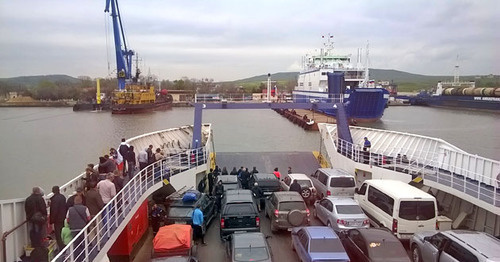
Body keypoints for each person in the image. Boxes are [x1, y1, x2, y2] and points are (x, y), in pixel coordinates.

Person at [49, 186, 67, 251]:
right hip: (63, 217)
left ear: (53, 191)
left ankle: (61, 247)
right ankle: (65, 243)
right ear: (59, 190)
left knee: (58, 234)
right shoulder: (63, 197)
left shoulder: (54, 199)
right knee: (63, 231)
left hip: (57, 219)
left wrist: (51, 220)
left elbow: (54, 210)